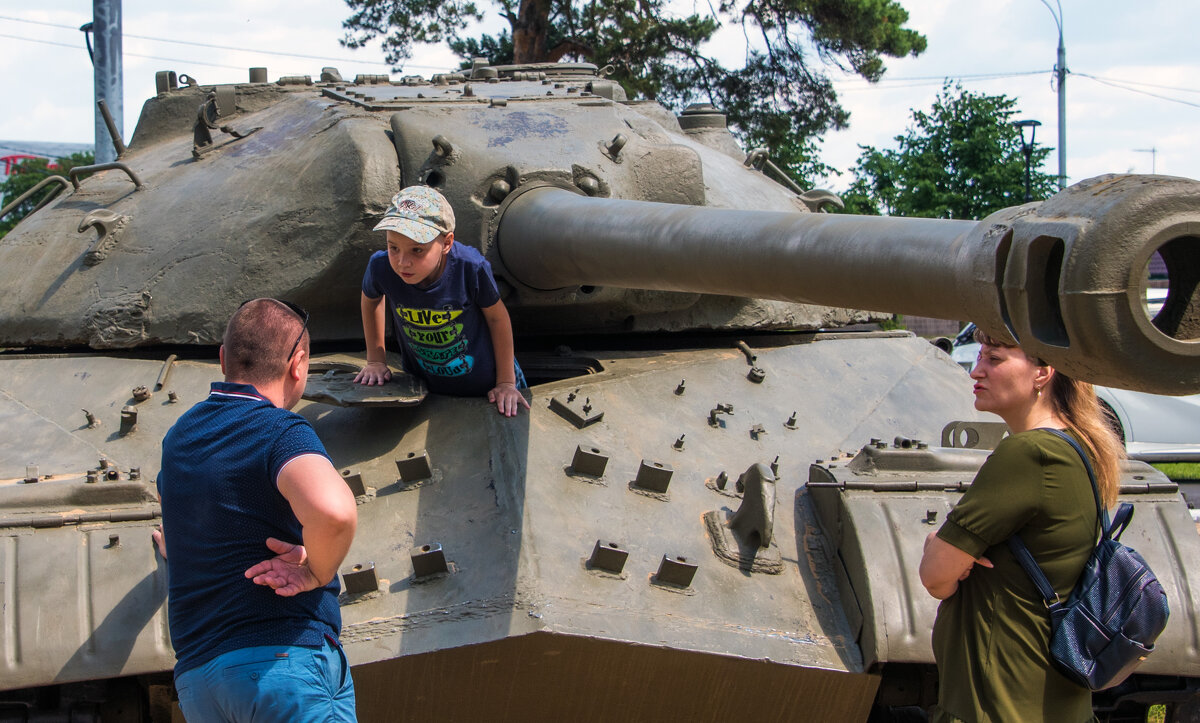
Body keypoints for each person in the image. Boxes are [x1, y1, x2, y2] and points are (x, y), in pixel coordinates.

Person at [154, 298, 359, 722]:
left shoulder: (179, 438)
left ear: (223, 358)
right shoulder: (278, 429)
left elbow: (185, 517)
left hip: (200, 682)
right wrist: (315, 571)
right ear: (298, 364)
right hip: (280, 662)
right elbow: (334, 512)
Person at [918, 328, 1123, 722]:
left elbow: (936, 577)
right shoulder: (1076, 446)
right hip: (1046, 700)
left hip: (997, 703)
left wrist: (935, 543)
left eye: (995, 359)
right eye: (979, 357)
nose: (977, 372)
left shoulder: (1029, 453)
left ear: (1044, 372)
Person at [353, 185, 530, 417]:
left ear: (446, 243)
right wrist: (376, 360)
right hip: (427, 382)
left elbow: (497, 319)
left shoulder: (470, 268)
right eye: (393, 247)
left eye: (417, 250)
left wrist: (506, 382)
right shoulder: (381, 267)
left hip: (488, 386)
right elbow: (371, 299)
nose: (402, 262)